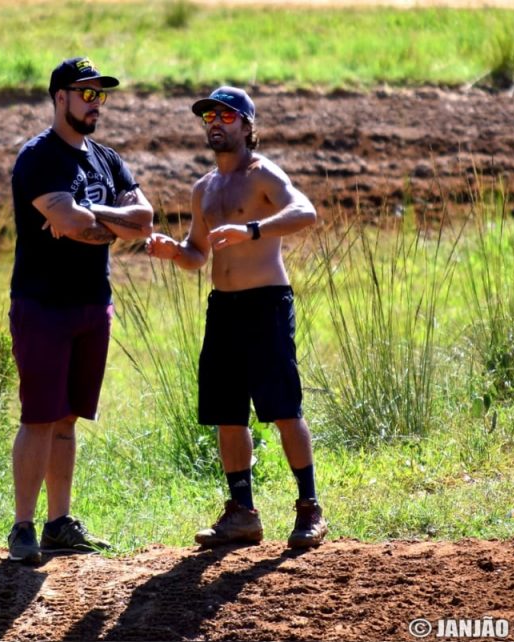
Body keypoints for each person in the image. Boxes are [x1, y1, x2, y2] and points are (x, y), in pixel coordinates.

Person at [146, 87, 327, 549]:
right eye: (209, 115)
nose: (215, 122)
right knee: (228, 414)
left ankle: (309, 509)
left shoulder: (262, 173)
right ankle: (243, 514)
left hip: (266, 302)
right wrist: (173, 251)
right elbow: (197, 254)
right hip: (223, 308)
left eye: (226, 116)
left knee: (284, 409)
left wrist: (253, 230)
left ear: (247, 126)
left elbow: (305, 211)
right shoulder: (204, 188)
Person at [7, 57, 154, 564]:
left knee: (68, 418)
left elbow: (144, 219)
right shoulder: (38, 158)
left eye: (100, 95)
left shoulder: (107, 159)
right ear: (59, 97)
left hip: (94, 303)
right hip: (42, 305)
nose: (95, 104)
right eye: (85, 94)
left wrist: (93, 216)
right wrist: (97, 221)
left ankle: (59, 524)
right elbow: (71, 222)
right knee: (39, 417)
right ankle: (23, 527)